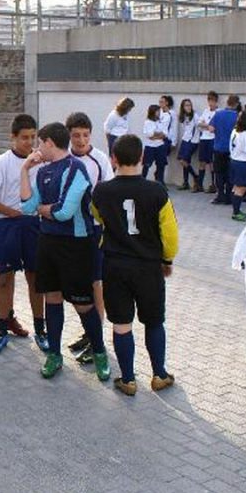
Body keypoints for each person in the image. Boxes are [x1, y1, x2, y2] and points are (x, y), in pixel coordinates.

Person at [19, 122, 111, 382]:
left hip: (76, 244)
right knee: (53, 299)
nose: (37, 149)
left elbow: (63, 212)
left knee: (83, 303)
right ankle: (55, 355)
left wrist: (44, 209)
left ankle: (100, 353)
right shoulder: (42, 171)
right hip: (48, 241)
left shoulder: (76, 168)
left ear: (49, 143)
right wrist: (25, 169)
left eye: (39, 143)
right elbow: (27, 206)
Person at [91, 134, 178, 396]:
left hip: (115, 265)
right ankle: (159, 374)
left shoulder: (102, 191)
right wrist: (167, 259)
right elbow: (170, 233)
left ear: (114, 159)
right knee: (153, 321)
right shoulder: (157, 191)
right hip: (148, 266)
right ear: (142, 157)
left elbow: (97, 215)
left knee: (121, 324)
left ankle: (128, 379)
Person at [0, 114, 43, 353]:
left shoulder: (40, 161)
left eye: (32, 137)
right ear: (13, 137)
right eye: (24, 137)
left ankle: (41, 329)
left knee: (35, 277)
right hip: (7, 226)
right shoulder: (2, 163)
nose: (29, 142)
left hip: (32, 226)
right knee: (5, 278)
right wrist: (11, 212)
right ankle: (2, 329)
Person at [65, 111, 114, 362]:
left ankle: (98, 341)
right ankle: (88, 332)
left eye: (85, 135)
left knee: (96, 283)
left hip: (94, 229)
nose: (81, 140)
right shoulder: (64, 159)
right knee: (78, 285)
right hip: (71, 231)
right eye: (76, 136)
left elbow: (109, 193)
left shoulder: (100, 159)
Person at [211, 95, 240, 205]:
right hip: (231, 149)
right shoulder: (237, 116)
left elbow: (211, 128)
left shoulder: (218, 114)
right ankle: (228, 196)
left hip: (218, 147)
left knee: (218, 173)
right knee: (229, 174)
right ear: (236, 104)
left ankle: (220, 195)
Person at [176, 99, 200, 191]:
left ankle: (195, 176)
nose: (188, 107)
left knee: (183, 160)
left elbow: (198, 125)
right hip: (185, 139)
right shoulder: (183, 117)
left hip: (193, 141)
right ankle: (185, 182)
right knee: (184, 161)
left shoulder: (195, 115)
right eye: (186, 105)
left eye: (189, 105)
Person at [197, 92, 219, 192]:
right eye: (209, 100)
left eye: (213, 101)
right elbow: (199, 123)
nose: (211, 103)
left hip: (212, 139)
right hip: (204, 139)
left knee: (211, 162)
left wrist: (206, 126)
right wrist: (207, 126)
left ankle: (213, 184)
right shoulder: (205, 111)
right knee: (202, 161)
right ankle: (199, 184)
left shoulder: (218, 112)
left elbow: (214, 127)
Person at [141, 105, 168, 183]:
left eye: (159, 111)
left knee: (161, 165)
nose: (159, 113)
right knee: (147, 164)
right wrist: (158, 134)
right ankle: (142, 181)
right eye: (157, 111)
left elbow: (165, 134)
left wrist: (157, 135)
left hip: (160, 146)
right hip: (150, 146)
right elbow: (150, 135)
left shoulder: (160, 122)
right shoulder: (148, 122)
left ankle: (160, 182)